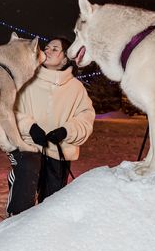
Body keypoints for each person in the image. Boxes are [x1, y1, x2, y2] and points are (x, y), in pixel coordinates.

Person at [6, 37, 95, 216]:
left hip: (58, 152)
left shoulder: (77, 88)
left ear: (64, 59)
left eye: (55, 49)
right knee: (26, 179)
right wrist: (30, 127)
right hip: (27, 146)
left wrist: (66, 131)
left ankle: (44, 238)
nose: (47, 50)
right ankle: (14, 226)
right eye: (46, 47)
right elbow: (8, 111)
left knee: (50, 206)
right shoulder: (26, 80)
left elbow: (86, 119)